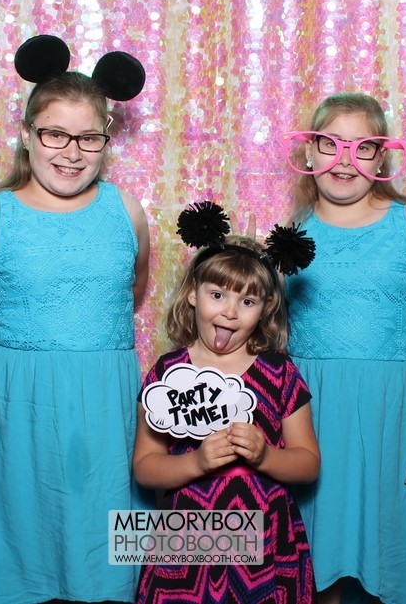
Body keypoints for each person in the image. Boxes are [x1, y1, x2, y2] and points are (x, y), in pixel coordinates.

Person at [0, 35, 150, 603]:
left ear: (105, 139)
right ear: (26, 134)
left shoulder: (126, 211)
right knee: (12, 563)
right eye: (54, 134)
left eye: (89, 137)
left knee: (107, 560)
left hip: (106, 418)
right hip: (15, 418)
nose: (71, 152)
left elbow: (129, 290)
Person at [282, 93, 406, 604]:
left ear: (382, 158)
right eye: (331, 143)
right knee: (316, 567)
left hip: (396, 421)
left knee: (395, 561)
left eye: (362, 147)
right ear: (309, 151)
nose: (345, 160)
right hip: (313, 421)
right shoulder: (290, 238)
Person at [133, 202, 320, 604]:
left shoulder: (280, 373)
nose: (230, 312)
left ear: (266, 309)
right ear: (192, 294)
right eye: (217, 295)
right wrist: (196, 463)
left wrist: (265, 455)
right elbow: (145, 467)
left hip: (268, 545)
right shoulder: (167, 374)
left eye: (248, 302)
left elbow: (308, 463)